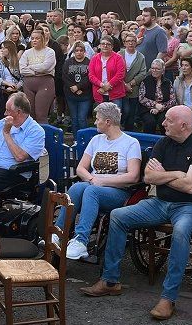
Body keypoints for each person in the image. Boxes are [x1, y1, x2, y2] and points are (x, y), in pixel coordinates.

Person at [81, 106, 192, 321]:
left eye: (168, 121)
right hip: (160, 202)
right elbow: (149, 177)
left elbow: (191, 186)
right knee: (118, 216)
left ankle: (168, 297)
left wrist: (164, 174)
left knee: (181, 231)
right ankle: (110, 281)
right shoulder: (163, 143)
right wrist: (176, 174)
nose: (163, 123)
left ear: (184, 125)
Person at [58, 102, 141, 260]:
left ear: (108, 121)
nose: (95, 122)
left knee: (91, 190)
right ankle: (58, 232)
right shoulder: (96, 140)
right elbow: (81, 168)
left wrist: (103, 182)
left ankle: (81, 240)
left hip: (119, 192)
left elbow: (134, 176)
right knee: (75, 189)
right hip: (94, 186)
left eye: (97, 119)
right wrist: (91, 178)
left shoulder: (131, 143)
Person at [18, 28, 56, 124]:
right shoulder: (27, 52)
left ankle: (44, 136)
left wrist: (30, 67)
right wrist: (36, 71)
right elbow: (22, 69)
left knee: (41, 115)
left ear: (43, 39)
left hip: (45, 83)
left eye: (37, 38)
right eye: (33, 38)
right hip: (28, 84)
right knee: (30, 115)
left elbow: (46, 67)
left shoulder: (50, 52)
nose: (34, 40)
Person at [138, 58, 176, 134]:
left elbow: (172, 100)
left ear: (163, 70)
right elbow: (141, 98)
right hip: (147, 109)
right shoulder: (145, 81)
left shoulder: (168, 82)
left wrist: (160, 108)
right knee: (150, 122)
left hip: (163, 109)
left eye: (157, 69)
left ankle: (165, 142)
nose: (154, 70)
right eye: (153, 68)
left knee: (164, 122)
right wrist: (155, 105)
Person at [63, 41, 93, 135]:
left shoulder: (89, 62)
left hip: (85, 96)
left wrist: (79, 87)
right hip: (71, 95)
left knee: (82, 118)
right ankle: (76, 139)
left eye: (81, 50)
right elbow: (64, 76)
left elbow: (89, 77)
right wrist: (73, 87)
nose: (79, 52)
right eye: (77, 50)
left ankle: (84, 138)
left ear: (84, 51)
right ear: (74, 52)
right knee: (74, 119)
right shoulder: (68, 62)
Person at [88, 36, 126, 108]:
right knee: (102, 117)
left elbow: (120, 74)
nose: (105, 46)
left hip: (115, 94)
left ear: (112, 46)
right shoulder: (94, 59)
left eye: (108, 44)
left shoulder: (118, 58)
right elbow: (91, 75)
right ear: (99, 46)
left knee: (115, 116)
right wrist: (102, 85)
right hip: (99, 92)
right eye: (103, 44)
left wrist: (107, 86)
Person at [120, 32, 147, 131]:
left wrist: (131, 83)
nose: (130, 43)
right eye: (128, 41)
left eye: (133, 41)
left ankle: (129, 131)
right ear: (124, 43)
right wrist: (124, 84)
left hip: (133, 89)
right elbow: (114, 70)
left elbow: (143, 72)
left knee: (131, 113)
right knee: (124, 110)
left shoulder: (141, 57)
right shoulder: (119, 54)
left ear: (136, 43)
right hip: (119, 87)